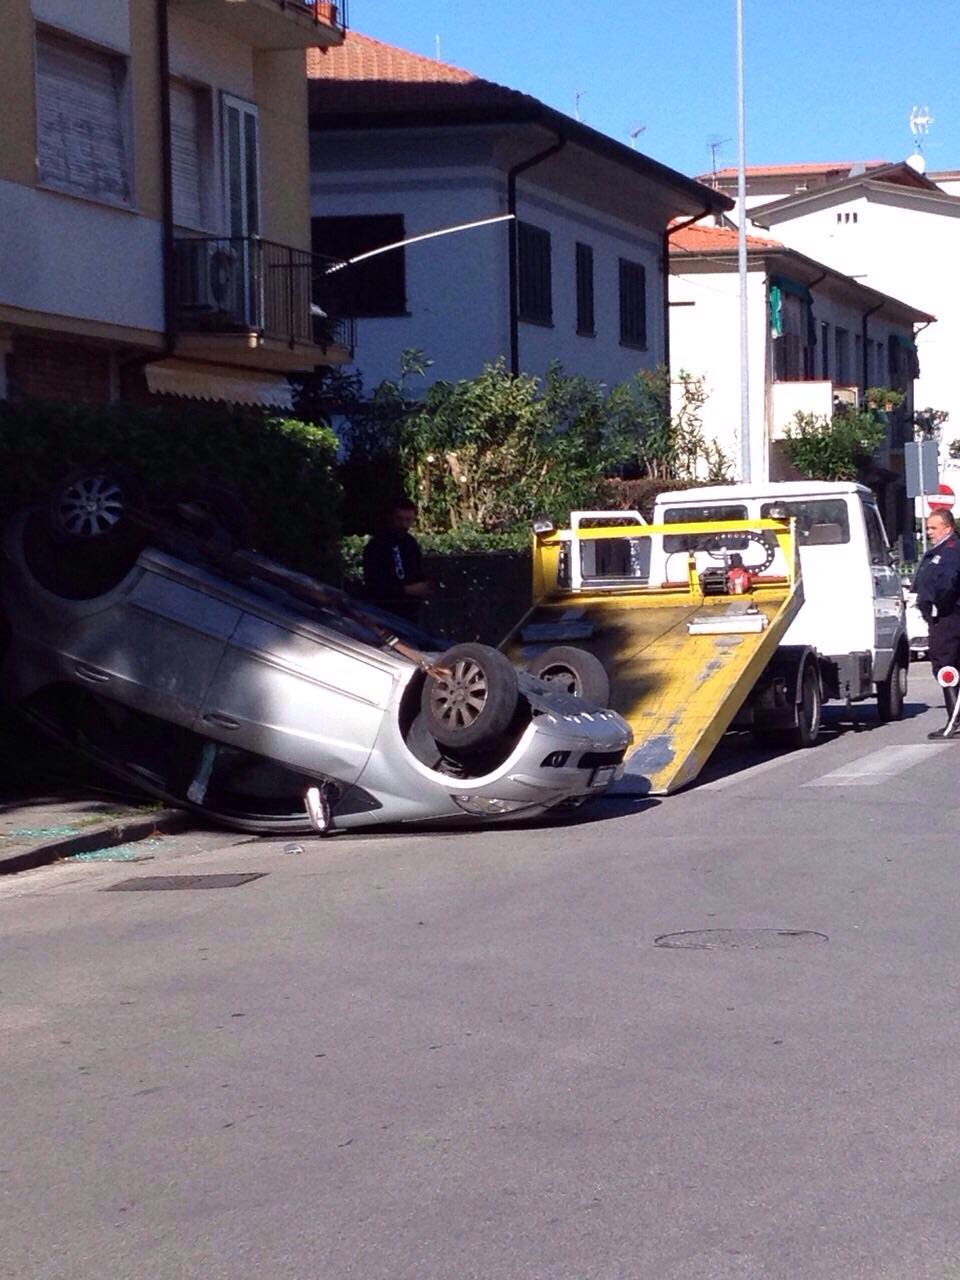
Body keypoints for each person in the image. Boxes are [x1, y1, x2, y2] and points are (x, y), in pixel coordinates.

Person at [912, 508, 960, 739]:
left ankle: (955, 722)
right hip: (945, 617)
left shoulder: (950, 550)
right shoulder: (940, 550)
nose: (929, 532)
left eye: (933, 527)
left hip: (948, 618)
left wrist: (936, 605)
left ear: (947, 528)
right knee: (949, 666)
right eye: (928, 527)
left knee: (946, 666)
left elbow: (949, 582)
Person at [362, 497, 429, 623]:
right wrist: (405, 590)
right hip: (385, 612)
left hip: (410, 612)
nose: (404, 525)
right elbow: (375, 585)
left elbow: (418, 572)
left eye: (408, 520)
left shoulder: (410, 543)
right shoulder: (378, 545)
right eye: (400, 519)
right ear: (391, 518)